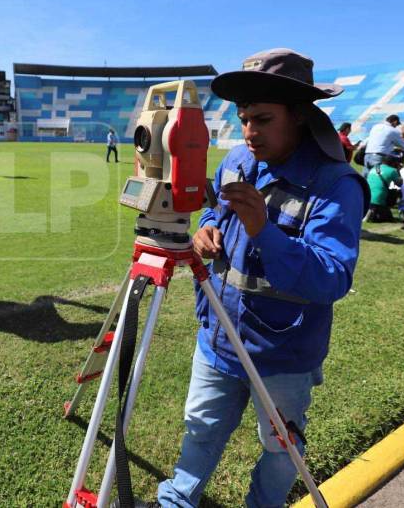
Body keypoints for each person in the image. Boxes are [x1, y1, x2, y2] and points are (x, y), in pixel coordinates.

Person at [157, 48, 367, 507]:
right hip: (218, 334)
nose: (249, 132)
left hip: (283, 353)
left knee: (281, 445)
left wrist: (264, 233)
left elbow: (332, 278)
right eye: (243, 117)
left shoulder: (336, 184)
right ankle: (177, 498)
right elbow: (216, 204)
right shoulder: (236, 158)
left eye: (263, 119)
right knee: (200, 427)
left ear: (298, 116)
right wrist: (206, 226)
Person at [365, 157, 402, 222]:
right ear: (393, 163)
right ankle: (374, 212)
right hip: (378, 199)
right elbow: (399, 184)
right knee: (395, 191)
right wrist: (398, 171)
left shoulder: (374, 168)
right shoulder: (392, 170)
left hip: (366, 197)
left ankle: (372, 211)